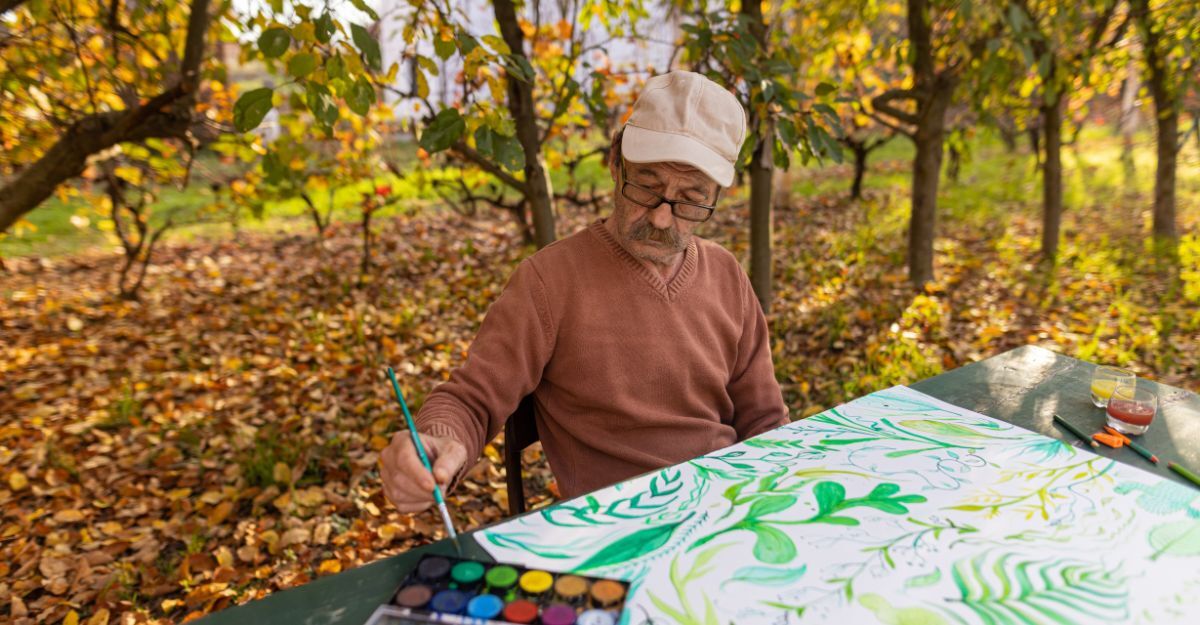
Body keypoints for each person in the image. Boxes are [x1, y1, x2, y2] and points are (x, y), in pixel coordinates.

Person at [382, 71, 788, 513]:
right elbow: (472, 397)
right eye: (647, 187)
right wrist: (437, 444)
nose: (661, 219)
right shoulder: (549, 282)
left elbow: (765, 421)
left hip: (728, 507)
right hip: (616, 527)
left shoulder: (726, 274)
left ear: (717, 196)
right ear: (616, 161)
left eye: (691, 199)